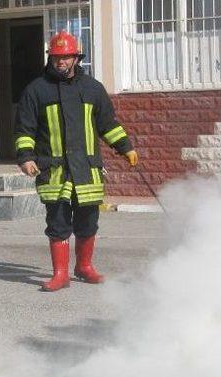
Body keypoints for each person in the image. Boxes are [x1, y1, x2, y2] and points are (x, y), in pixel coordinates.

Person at [14, 31, 138, 291]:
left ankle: (84, 267)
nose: (61, 62)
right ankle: (61, 274)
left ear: (76, 58)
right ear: (51, 58)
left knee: (88, 222)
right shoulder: (36, 90)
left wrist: (125, 147)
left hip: (86, 170)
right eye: (57, 57)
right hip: (54, 171)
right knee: (58, 223)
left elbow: (107, 124)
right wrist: (25, 158)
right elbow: (24, 130)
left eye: (66, 57)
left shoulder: (92, 89)